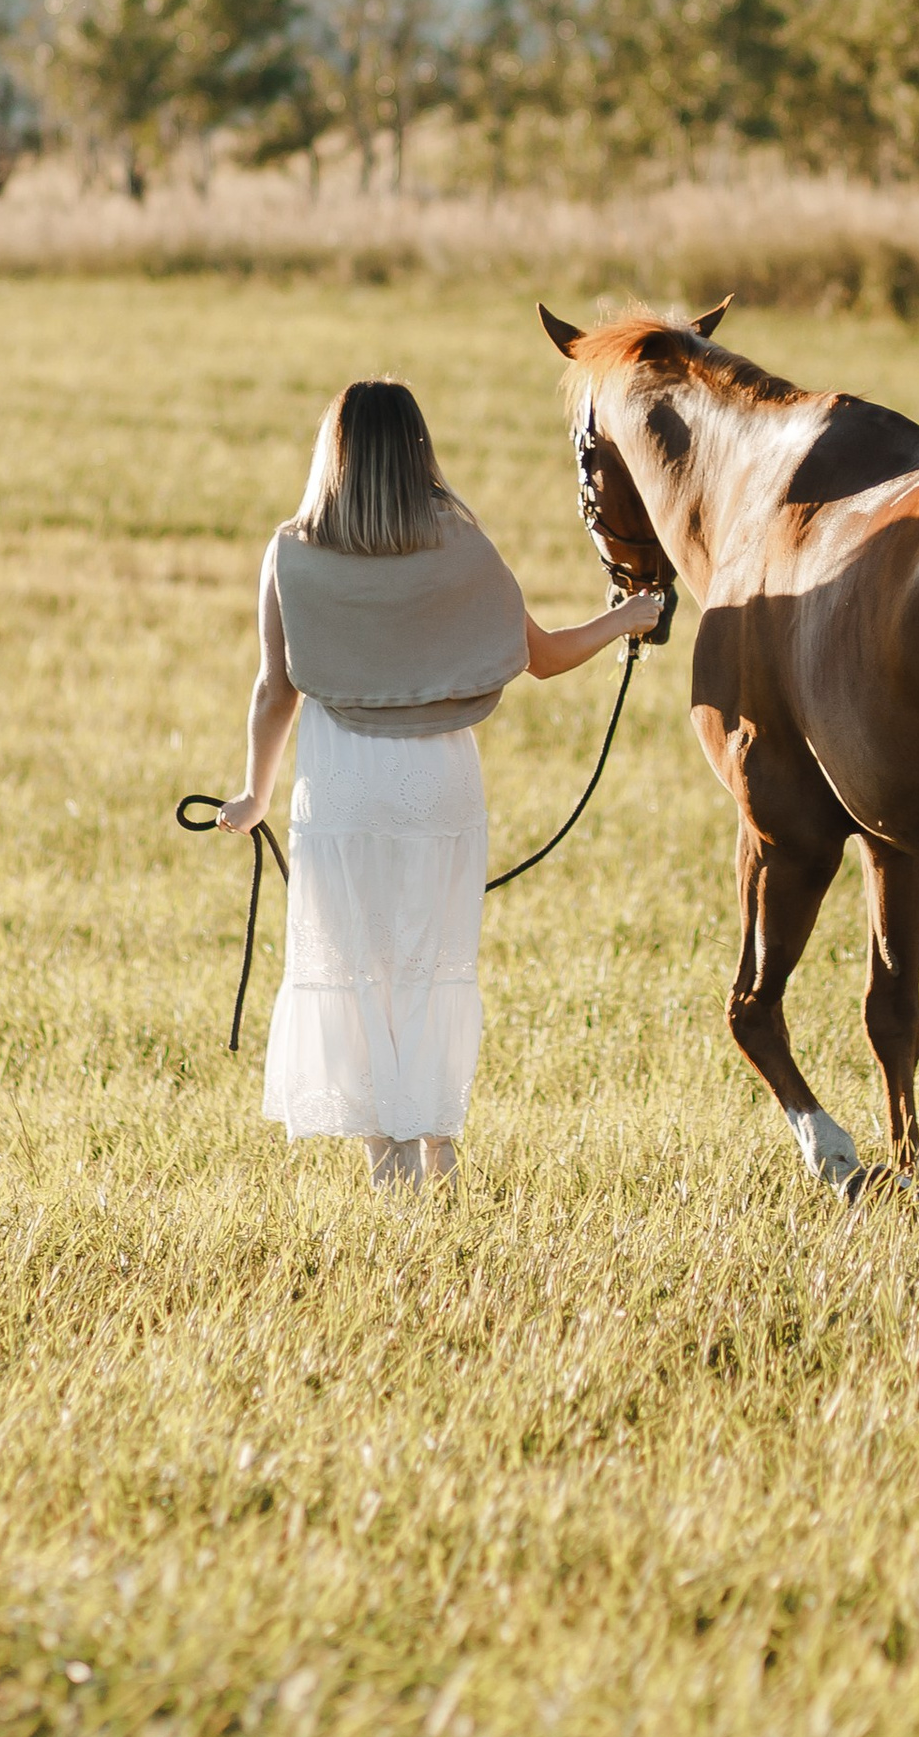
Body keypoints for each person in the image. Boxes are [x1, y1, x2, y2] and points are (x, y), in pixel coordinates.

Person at [219, 379, 662, 1191]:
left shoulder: (290, 550)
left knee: (358, 963)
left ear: (336, 451)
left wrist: (253, 796)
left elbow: (273, 689)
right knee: (430, 960)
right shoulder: (462, 546)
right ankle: (437, 1147)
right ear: (418, 451)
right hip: (437, 780)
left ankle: (385, 1161)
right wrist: (627, 620)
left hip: (341, 782)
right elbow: (544, 655)